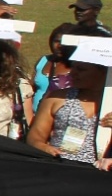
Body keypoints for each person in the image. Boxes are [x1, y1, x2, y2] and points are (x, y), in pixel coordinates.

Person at [26, 31, 110, 168]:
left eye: (81, 70)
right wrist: (43, 147)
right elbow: (35, 135)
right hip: (61, 167)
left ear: (103, 72)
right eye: (73, 67)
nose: (73, 73)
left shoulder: (109, 103)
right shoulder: (56, 98)